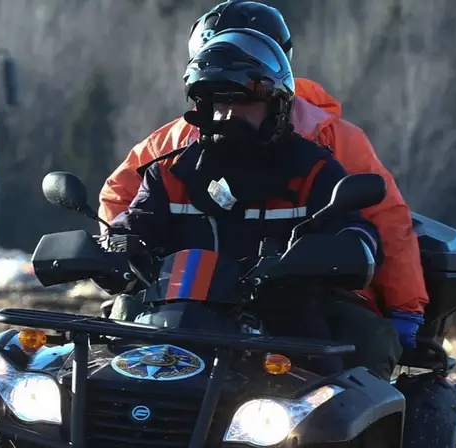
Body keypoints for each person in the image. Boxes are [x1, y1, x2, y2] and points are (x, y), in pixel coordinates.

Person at [99, 0, 427, 355]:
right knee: (110, 345)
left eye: (244, 101)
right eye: (216, 101)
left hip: (288, 309)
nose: (227, 116)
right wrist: (113, 249)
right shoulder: (169, 165)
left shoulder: (318, 161)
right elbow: (127, 212)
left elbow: (379, 221)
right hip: (179, 304)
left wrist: (401, 305)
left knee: (367, 348)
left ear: (276, 99)